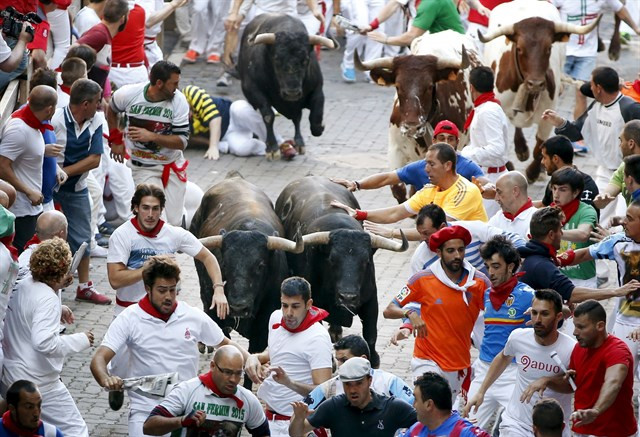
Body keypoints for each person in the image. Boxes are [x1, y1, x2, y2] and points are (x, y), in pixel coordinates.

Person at [90, 255, 251, 436]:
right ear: (147, 288)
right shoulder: (128, 318)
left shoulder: (192, 315)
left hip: (186, 409)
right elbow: (99, 358)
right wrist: (106, 379)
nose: (168, 297)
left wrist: (251, 360)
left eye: (172, 290)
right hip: (146, 410)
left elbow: (225, 344)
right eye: (162, 290)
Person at [383, 225, 490, 402]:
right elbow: (389, 309)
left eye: (461, 250)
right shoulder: (422, 279)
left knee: (446, 418)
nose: (457, 256)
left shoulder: (479, 282)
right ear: (439, 252)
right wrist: (409, 314)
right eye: (450, 250)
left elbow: (496, 313)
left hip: (458, 364)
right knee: (428, 404)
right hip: (426, 359)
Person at [2, 238, 92, 436]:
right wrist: (81, 340)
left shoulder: (23, 284)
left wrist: (58, 308)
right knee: (76, 431)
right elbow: (44, 343)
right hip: (38, 381)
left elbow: (27, 313)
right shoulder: (48, 297)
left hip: (11, 374)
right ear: (61, 271)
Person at [462, 289, 576, 437]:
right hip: (516, 424)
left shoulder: (571, 348)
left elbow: (572, 386)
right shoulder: (518, 337)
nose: (538, 319)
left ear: (558, 316)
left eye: (545, 314)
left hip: (551, 429)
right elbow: (503, 357)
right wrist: (482, 391)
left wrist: (547, 381)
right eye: (534, 313)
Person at [542, 67, 640, 225]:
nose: (590, 88)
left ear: (599, 88)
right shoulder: (596, 106)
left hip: (630, 174)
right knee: (599, 218)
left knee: (626, 219)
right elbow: (578, 132)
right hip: (605, 172)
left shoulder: (630, 108)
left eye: (593, 85)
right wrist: (559, 122)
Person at [527, 300, 637, 436]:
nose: (575, 332)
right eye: (574, 326)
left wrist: (596, 410)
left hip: (614, 432)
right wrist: (548, 381)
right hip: (582, 429)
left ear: (600, 326)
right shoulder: (579, 348)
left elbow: (613, 383)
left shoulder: (617, 351)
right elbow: (571, 386)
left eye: (581, 327)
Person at [558, 199, 640, 377]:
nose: (624, 222)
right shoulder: (618, 242)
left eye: (630, 219)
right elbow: (584, 254)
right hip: (625, 322)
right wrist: (555, 260)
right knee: (618, 378)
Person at [244, 277, 333, 437]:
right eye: (285, 305)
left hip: (299, 427)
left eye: (295, 306)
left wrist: (289, 383)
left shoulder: (318, 338)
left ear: (309, 304)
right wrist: (255, 358)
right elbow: (274, 351)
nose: (288, 313)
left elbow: (324, 392)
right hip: (269, 421)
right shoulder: (275, 318)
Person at [51, 78, 112, 305]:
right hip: (49, 187)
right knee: (46, 236)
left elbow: (94, 160)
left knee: (83, 237)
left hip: (77, 188)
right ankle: (46, 286)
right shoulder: (56, 119)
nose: (100, 106)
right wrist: (54, 173)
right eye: (97, 102)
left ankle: (85, 287)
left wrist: (65, 171)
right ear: (85, 103)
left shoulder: (95, 120)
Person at [107, 60, 190, 226]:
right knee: (158, 220)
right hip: (143, 166)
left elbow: (182, 142)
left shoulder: (179, 101)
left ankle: (173, 248)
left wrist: (151, 136)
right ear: (159, 83)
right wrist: (115, 139)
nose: (177, 87)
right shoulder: (129, 94)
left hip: (171, 164)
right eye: (174, 83)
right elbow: (112, 109)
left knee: (174, 223)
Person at [465, 235, 534, 431]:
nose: (490, 272)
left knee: (516, 430)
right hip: (484, 370)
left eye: (496, 266)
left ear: (511, 267)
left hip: (513, 374)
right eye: (487, 267)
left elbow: (557, 311)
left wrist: (560, 311)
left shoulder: (528, 295)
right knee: (469, 429)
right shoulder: (486, 294)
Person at [331, 143, 488, 224]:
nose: (426, 169)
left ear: (447, 165)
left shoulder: (465, 190)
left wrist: (390, 233)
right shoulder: (430, 189)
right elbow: (395, 212)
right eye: (427, 163)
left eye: (431, 165)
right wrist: (359, 213)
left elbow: (440, 230)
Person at [518, 207, 639, 303]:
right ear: (550, 235)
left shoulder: (536, 258)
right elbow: (572, 293)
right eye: (560, 230)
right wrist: (616, 291)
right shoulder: (541, 265)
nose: (562, 234)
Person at [143, 345, 270, 436]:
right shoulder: (187, 390)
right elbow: (148, 426)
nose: (233, 379)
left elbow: (263, 433)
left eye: (238, 373)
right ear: (212, 366)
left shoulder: (247, 400)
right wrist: (181, 421)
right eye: (227, 372)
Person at [331, 120, 485, 195]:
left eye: (450, 139)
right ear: (434, 141)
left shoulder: (469, 167)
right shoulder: (420, 168)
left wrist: (486, 190)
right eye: (441, 138)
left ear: (458, 143)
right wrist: (357, 184)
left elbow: (486, 185)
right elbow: (386, 178)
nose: (446, 143)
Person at [554, 0, 640, 119]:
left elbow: (620, 9)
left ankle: (578, 134)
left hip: (587, 52)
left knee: (581, 92)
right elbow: (545, 11)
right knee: (555, 90)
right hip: (562, 49)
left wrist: (635, 29)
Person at [289, 357, 417, 437]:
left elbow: (429, 423)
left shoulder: (392, 407)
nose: (353, 390)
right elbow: (296, 433)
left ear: (369, 380)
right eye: (348, 385)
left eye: (358, 383)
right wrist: (298, 419)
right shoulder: (333, 406)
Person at [0, 85, 57, 252]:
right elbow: (2, 166)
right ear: (49, 109)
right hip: (21, 210)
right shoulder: (19, 129)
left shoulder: (32, 122)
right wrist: (28, 191)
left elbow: (26, 152)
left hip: (31, 208)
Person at [305, 335, 414, 409]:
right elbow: (302, 411)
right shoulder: (330, 387)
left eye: (344, 360)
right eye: (338, 361)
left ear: (363, 359)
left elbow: (416, 408)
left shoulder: (389, 382)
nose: (340, 366)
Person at [460, 66, 510, 217]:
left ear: (471, 87)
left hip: (491, 178)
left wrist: (467, 154)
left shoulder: (488, 111)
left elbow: (497, 149)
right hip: (484, 174)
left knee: (484, 225)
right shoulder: (486, 107)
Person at [182, 85, 270, 160]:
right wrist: (215, 144)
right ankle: (267, 149)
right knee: (241, 150)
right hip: (226, 135)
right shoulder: (176, 122)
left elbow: (215, 119)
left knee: (240, 109)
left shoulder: (191, 92)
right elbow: (189, 139)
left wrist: (213, 146)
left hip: (233, 115)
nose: (188, 115)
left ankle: (276, 141)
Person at [397, 372, 490, 437]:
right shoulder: (415, 430)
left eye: (416, 400)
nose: (413, 405)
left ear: (429, 404)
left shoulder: (465, 432)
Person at [550, 167, 598, 288]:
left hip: (583, 281)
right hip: (557, 277)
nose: (556, 194)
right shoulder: (550, 211)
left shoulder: (586, 211)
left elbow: (583, 234)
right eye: (554, 188)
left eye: (562, 190)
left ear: (576, 192)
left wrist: (555, 233)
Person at [76, 0, 130, 93]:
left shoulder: (104, 33)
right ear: (122, 19)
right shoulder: (100, 34)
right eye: (128, 16)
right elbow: (75, 49)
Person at [536, 135, 599, 210]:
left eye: (545, 157)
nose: (542, 162)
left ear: (555, 158)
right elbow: (544, 205)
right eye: (554, 189)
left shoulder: (586, 186)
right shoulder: (556, 178)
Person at [367, 0, 464, 46]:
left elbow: (412, 37)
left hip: (448, 48)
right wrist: (373, 25)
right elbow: (394, 4)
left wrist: (386, 39)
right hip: (431, 41)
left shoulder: (431, 3)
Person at [594, 120, 640, 209]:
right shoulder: (625, 167)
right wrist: (602, 198)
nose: (620, 146)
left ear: (631, 144)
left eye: (621, 141)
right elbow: (605, 197)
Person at [488, 171, 536, 239]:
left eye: (499, 192)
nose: (496, 198)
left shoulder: (536, 221)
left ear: (515, 191)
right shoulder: (497, 218)